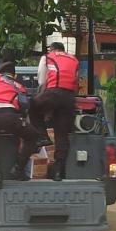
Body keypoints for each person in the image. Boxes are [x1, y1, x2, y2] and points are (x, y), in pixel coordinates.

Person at [30, 42, 79, 181]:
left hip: (53, 93)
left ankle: (43, 136)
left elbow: (41, 80)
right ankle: (59, 172)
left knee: (32, 106)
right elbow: (75, 81)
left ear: (52, 49)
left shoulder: (47, 57)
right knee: (61, 135)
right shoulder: (74, 59)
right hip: (69, 98)